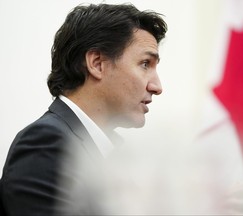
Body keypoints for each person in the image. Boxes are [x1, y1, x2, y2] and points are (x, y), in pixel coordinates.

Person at [0, 3, 167, 215]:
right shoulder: (47, 143)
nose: (157, 87)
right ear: (97, 63)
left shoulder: (113, 156)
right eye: (145, 64)